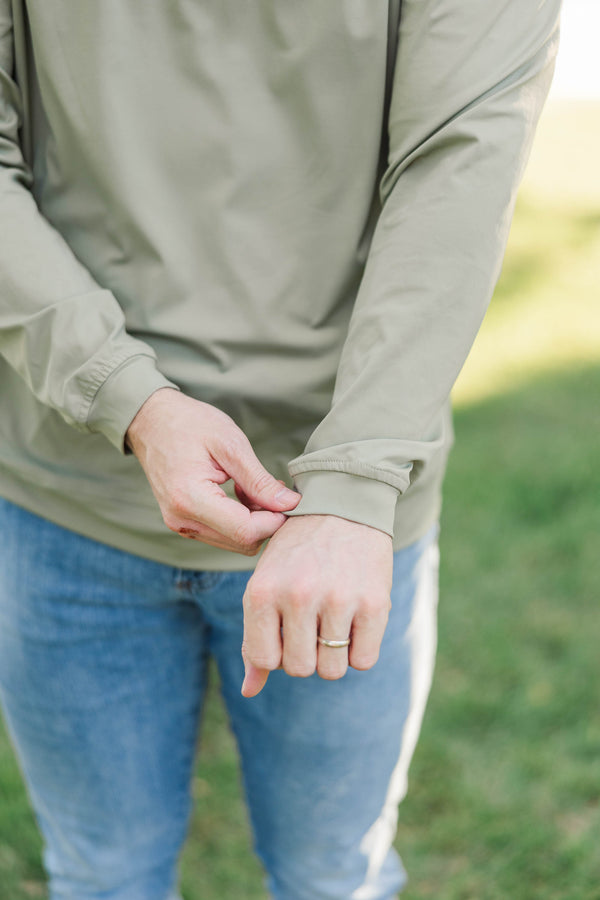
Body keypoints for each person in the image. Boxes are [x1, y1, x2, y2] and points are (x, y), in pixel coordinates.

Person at [0, 1, 560, 898]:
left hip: (339, 526)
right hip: (63, 491)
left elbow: (459, 167)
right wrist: (130, 398)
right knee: (101, 877)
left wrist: (354, 485)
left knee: (333, 877)